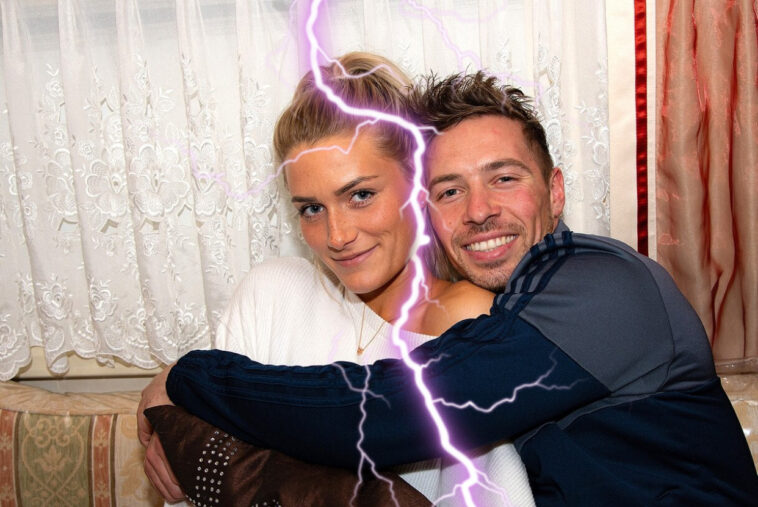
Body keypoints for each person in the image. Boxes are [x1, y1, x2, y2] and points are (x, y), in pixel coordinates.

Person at [141, 72, 758, 505]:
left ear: (556, 191)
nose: (479, 211)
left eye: (504, 178)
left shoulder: (601, 284)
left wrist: (186, 377)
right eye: (450, 190)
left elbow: (386, 412)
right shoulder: (504, 312)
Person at [140, 55, 535, 506]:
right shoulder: (270, 293)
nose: (337, 236)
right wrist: (177, 394)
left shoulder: (465, 316)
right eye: (312, 208)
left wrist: (177, 387)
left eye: (360, 195)